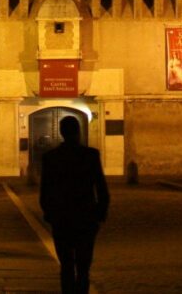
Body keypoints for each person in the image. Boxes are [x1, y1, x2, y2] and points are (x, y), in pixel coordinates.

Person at [39, 116, 110, 294]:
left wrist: (50, 214)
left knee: (66, 266)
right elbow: (101, 189)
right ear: (78, 131)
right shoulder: (91, 155)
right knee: (84, 266)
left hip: (61, 218)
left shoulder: (51, 158)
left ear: (62, 132)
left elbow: (45, 191)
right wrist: (100, 214)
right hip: (86, 217)